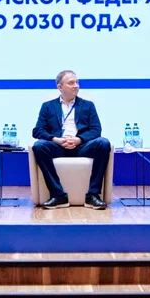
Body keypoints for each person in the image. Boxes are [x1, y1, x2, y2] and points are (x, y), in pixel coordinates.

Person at [31, 70, 111, 209]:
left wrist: (79, 139)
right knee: (39, 146)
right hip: (58, 146)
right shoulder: (48, 106)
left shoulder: (88, 105)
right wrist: (55, 139)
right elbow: (38, 130)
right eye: (71, 83)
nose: (76, 86)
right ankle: (58, 195)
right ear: (60, 87)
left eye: (77, 82)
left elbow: (96, 129)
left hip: (82, 146)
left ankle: (93, 195)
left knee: (103, 143)